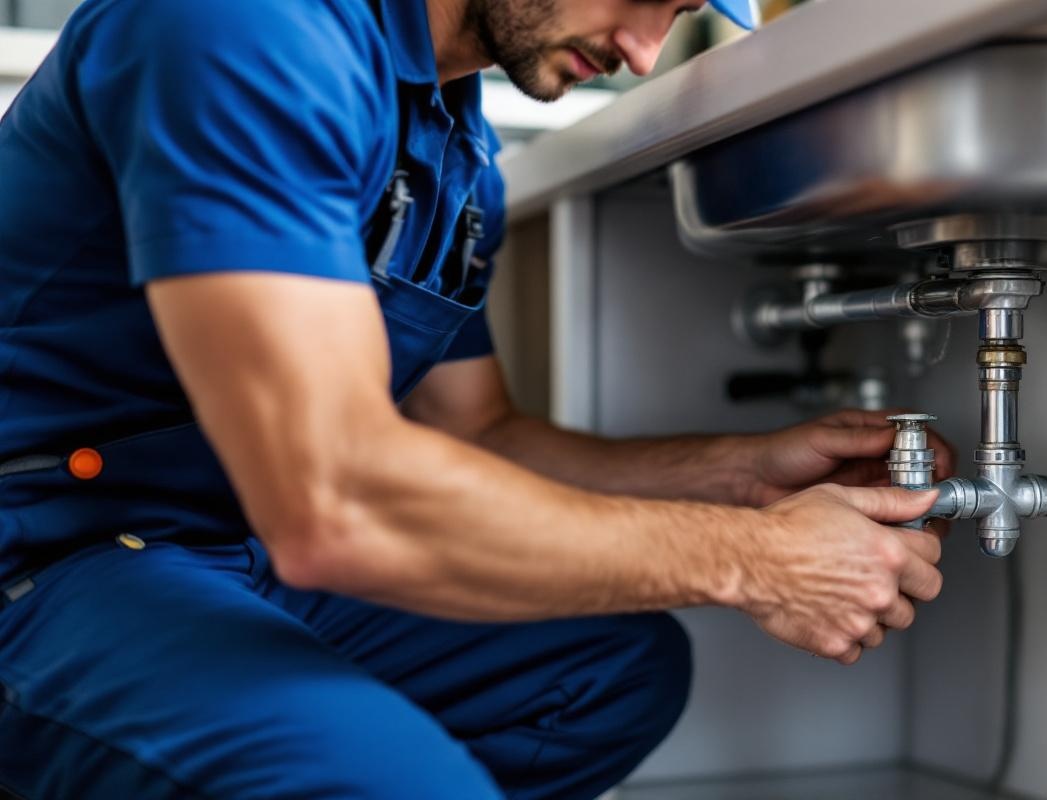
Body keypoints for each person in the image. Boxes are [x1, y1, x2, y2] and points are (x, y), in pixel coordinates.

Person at [0, 0, 953, 797]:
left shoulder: (452, 147)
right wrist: (759, 562)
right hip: (42, 553)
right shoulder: (242, 30)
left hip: (219, 548)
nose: (642, 53)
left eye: (680, 13)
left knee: (609, 675)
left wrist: (744, 479)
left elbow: (479, 434)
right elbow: (334, 504)